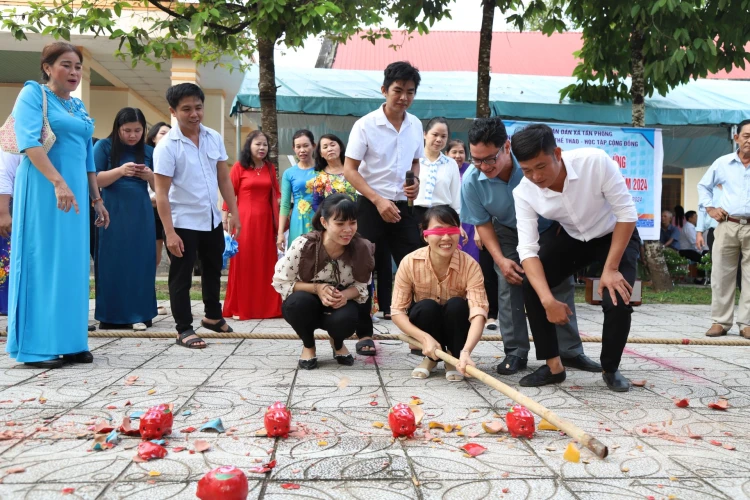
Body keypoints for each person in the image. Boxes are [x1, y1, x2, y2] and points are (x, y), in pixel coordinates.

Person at [461, 117, 598, 376]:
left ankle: (570, 351)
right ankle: (515, 352)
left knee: (558, 281)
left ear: (506, 147)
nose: (483, 166)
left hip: (548, 226)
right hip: (507, 230)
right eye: (476, 159)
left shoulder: (529, 163)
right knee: (508, 280)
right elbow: (483, 224)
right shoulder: (471, 181)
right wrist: (500, 259)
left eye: (489, 158)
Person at [510, 124, 639, 392]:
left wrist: (611, 268)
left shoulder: (596, 162)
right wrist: (548, 301)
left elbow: (627, 214)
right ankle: (553, 366)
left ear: (557, 152)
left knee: (617, 297)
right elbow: (528, 250)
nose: (535, 176)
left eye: (541, 166)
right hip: (573, 238)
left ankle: (610, 368)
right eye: (527, 170)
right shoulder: (523, 191)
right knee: (532, 284)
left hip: (614, 234)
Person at [7, 42, 110, 368]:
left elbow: (86, 158)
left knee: (73, 267)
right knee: (44, 263)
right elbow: (29, 143)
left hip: (76, 195)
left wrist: (97, 199)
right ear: (48, 67)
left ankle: (71, 341)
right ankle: (37, 347)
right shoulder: (33, 95)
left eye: (78, 67)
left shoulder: (77, 107)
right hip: (43, 190)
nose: (74, 72)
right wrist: (58, 182)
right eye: (66, 65)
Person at [343, 61, 424, 356]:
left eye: (410, 92)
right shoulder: (365, 125)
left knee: (415, 266)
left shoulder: (416, 124)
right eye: (398, 91)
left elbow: (415, 161)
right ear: (384, 90)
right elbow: (350, 170)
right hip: (369, 204)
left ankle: (419, 335)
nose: (403, 97)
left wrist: (414, 181)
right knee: (365, 269)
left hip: (402, 207)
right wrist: (378, 200)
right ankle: (364, 332)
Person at [153, 83, 240, 349]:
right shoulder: (167, 147)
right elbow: (162, 194)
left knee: (213, 269)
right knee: (182, 276)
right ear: (173, 111)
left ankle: (213, 316)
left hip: (211, 218)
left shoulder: (213, 136)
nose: (194, 114)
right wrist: (169, 233)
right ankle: (184, 328)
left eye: (198, 108)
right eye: (186, 109)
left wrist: (233, 211)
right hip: (182, 222)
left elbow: (223, 177)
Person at [272, 194, 375, 369]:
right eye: (340, 223)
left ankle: (337, 342)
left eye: (352, 223)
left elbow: (362, 286)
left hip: (339, 302)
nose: (348, 229)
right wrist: (318, 288)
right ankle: (308, 345)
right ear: (324, 222)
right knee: (296, 304)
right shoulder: (304, 245)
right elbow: (281, 282)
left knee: (348, 318)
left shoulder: (361, 247)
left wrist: (344, 295)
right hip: (309, 299)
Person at [392, 205, 488, 381]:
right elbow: (397, 312)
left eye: (451, 230)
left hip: (456, 325)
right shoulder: (410, 262)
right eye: (438, 231)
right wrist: (423, 337)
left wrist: (466, 351)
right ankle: (431, 358)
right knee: (426, 307)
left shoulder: (470, 265)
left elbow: (478, 313)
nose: (446, 237)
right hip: (427, 323)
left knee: (457, 305)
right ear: (425, 234)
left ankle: (453, 356)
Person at [93, 107, 157, 331]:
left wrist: (149, 176)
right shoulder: (103, 146)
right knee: (112, 261)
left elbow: (162, 187)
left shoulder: (149, 151)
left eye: (137, 130)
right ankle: (111, 315)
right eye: (127, 130)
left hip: (141, 213)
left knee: (142, 261)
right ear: (117, 128)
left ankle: (142, 312)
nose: (132, 135)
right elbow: (95, 180)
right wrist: (120, 171)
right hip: (112, 211)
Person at [697, 119, 750, 338]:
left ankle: (747, 324)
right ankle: (720, 321)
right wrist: (709, 208)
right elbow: (703, 186)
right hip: (728, 225)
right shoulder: (723, 163)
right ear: (736, 138)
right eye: (746, 136)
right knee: (721, 274)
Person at [222, 131, 282, 320]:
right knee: (244, 262)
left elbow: (277, 194)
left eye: (265, 144)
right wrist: (225, 217)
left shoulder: (270, 168)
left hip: (265, 222)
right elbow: (229, 193)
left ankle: (266, 308)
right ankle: (241, 307)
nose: (262, 148)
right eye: (258, 144)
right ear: (249, 146)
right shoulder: (240, 167)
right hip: (243, 221)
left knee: (265, 262)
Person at [447, 138, 498, 330]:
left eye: (461, 152)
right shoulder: (447, 170)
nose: (458, 156)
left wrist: (477, 229)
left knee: (482, 269)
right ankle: (462, 307)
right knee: (457, 268)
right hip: (454, 224)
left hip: (474, 223)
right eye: (454, 152)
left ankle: (489, 312)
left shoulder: (472, 170)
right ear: (447, 154)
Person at [413, 117, 461, 224]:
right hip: (414, 215)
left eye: (443, 136)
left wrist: (457, 222)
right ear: (425, 134)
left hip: (442, 217)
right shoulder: (413, 160)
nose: (439, 139)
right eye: (435, 135)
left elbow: (456, 196)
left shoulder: (451, 164)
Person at [146, 121, 172, 315]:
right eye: (163, 133)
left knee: (175, 258)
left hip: (172, 212)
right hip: (151, 211)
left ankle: (179, 300)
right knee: (153, 259)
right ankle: (149, 299)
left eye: (169, 133)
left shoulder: (174, 156)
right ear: (153, 136)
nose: (166, 136)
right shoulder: (146, 156)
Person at [277, 130, 316, 251]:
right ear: (293, 148)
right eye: (298, 147)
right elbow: (285, 204)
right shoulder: (289, 173)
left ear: (313, 146)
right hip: (298, 220)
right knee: (298, 257)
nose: (302, 150)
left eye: (306, 146)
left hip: (320, 219)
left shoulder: (323, 169)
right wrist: (280, 233)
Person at [311, 134, 356, 211]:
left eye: (332, 145)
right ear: (321, 153)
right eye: (325, 147)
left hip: (359, 217)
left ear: (340, 147)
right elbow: (316, 204)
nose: (330, 149)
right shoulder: (320, 178)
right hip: (336, 220)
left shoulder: (353, 169)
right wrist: (328, 217)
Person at [0, 151, 20, 316]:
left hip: (15, 201)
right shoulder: (8, 141)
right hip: (7, 204)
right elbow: (4, 174)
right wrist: (4, 213)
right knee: (8, 255)